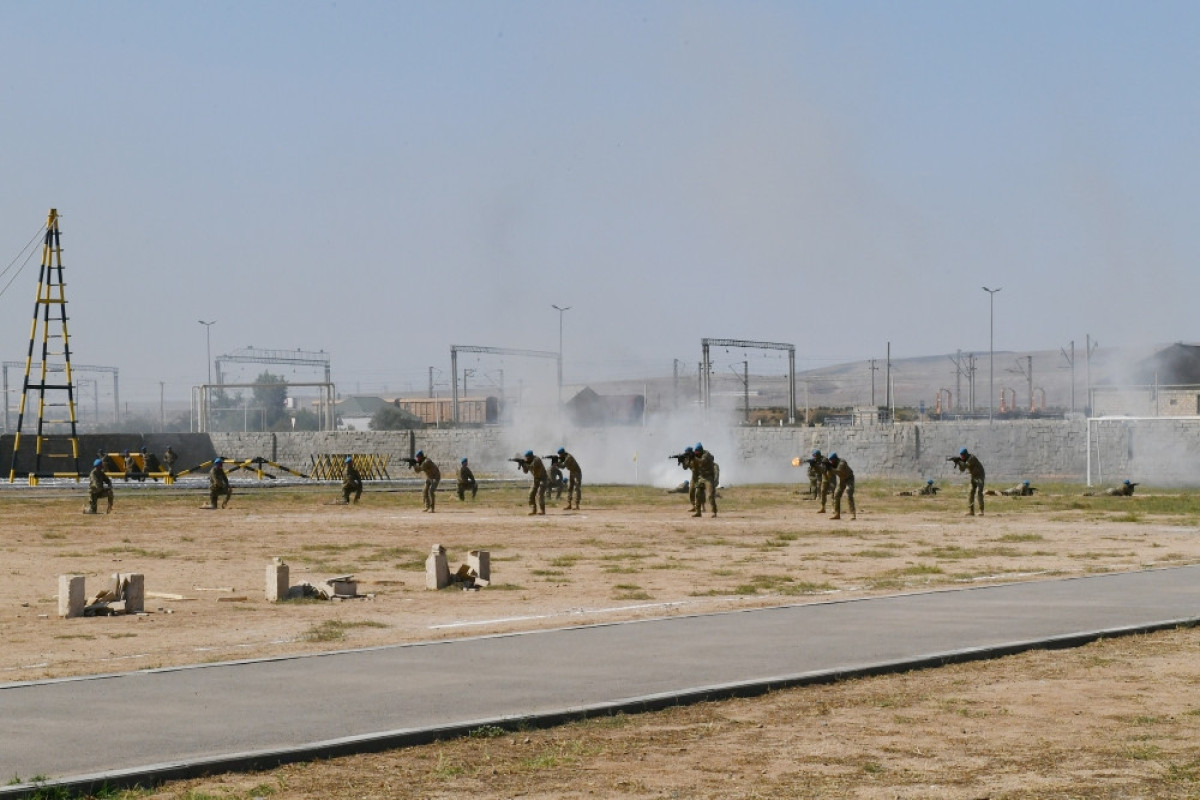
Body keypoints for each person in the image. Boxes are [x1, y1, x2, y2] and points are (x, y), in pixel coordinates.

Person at [954, 447, 986, 516]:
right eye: (960, 455)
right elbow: (962, 470)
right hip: (973, 476)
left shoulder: (972, 458)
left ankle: (981, 511)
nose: (961, 456)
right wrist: (958, 463)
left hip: (980, 476)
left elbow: (965, 465)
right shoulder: (965, 459)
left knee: (979, 492)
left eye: (962, 455)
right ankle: (971, 511)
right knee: (971, 492)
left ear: (965, 454)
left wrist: (959, 461)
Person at [826, 453, 856, 521]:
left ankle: (852, 514)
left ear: (835, 459)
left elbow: (839, 472)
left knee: (849, 493)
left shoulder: (842, 463)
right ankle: (837, 514)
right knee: (836, 495)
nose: (831, 462)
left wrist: (830, 468)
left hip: (849, 479)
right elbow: (829, 476)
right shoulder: (833, 464)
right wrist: (827, 468)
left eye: (832, 460)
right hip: (842, 479)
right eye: (830, 461)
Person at [692, 442, 718, 518]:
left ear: (701, 450)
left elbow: (702, 461)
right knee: (697, 493)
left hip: (708, 478)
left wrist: (694, 457)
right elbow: (693, 466)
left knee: (710, 495)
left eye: (697, 451)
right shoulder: (697, 456)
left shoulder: (706, 455)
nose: (696, 453)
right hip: (701, 477)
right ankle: (698, 512)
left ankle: (714, 512)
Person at [519, 450, 548, 515]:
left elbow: (532, 466)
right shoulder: (529, 461)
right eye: (526, 457)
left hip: (543, 478)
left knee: (540, 494)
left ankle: (542, 510)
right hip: (536, 479)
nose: (526, 458)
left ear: (531, 456)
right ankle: (533, 510)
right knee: (531, 493)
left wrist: (524, 463)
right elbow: (525, 472)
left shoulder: (537, 460)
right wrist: (522, 465)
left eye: (527, 457)